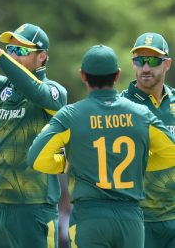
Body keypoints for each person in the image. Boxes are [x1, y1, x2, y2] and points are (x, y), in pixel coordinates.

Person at [27, 45, 175, 248]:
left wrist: (67, 163)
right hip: (131, 219)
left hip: (89, 218)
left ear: (83, 76)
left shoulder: (71, 115)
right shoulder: (141, 114)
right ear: (117, 75)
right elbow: (171, 153)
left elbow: (36, 158)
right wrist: (138, 166)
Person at [0, 21, 68, 248]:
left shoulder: (54, 91)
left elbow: (34, 90)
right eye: (10, 49)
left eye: (20, 51)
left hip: (34, 206)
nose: (12, 55)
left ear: (42, 57)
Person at [121, 32, 175, 248]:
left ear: (167, 64)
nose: (145, 68)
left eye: (153, 61)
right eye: (139, 60)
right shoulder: (120, 105)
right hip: (136, 219)